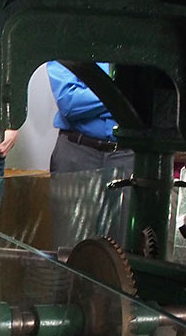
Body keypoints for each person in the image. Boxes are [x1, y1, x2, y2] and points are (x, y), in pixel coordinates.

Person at [47, 61, 135, 247]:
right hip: (77, 153)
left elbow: (147, 100)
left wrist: (97, 96)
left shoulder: (139, 44)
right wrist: (123, 93)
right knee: (69, 247)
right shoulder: (68, 38)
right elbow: (69, 102)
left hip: (127, 156)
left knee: (121, 254)